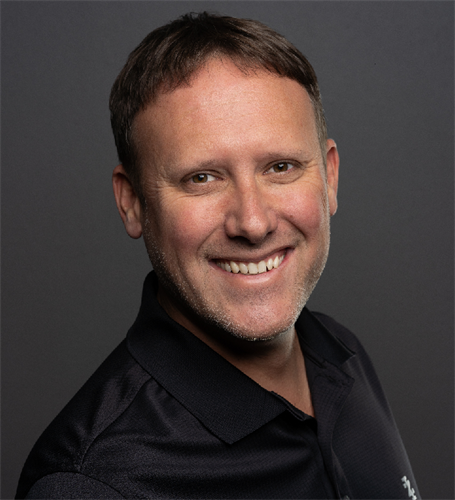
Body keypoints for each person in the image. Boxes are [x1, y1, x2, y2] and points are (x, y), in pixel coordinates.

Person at [16, 12, 420, 500]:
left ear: (329, 177)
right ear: (133, 203)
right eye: (202, 178)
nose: (252, 222)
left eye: (281, 167)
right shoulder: (93, 485)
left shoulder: (342, 353)